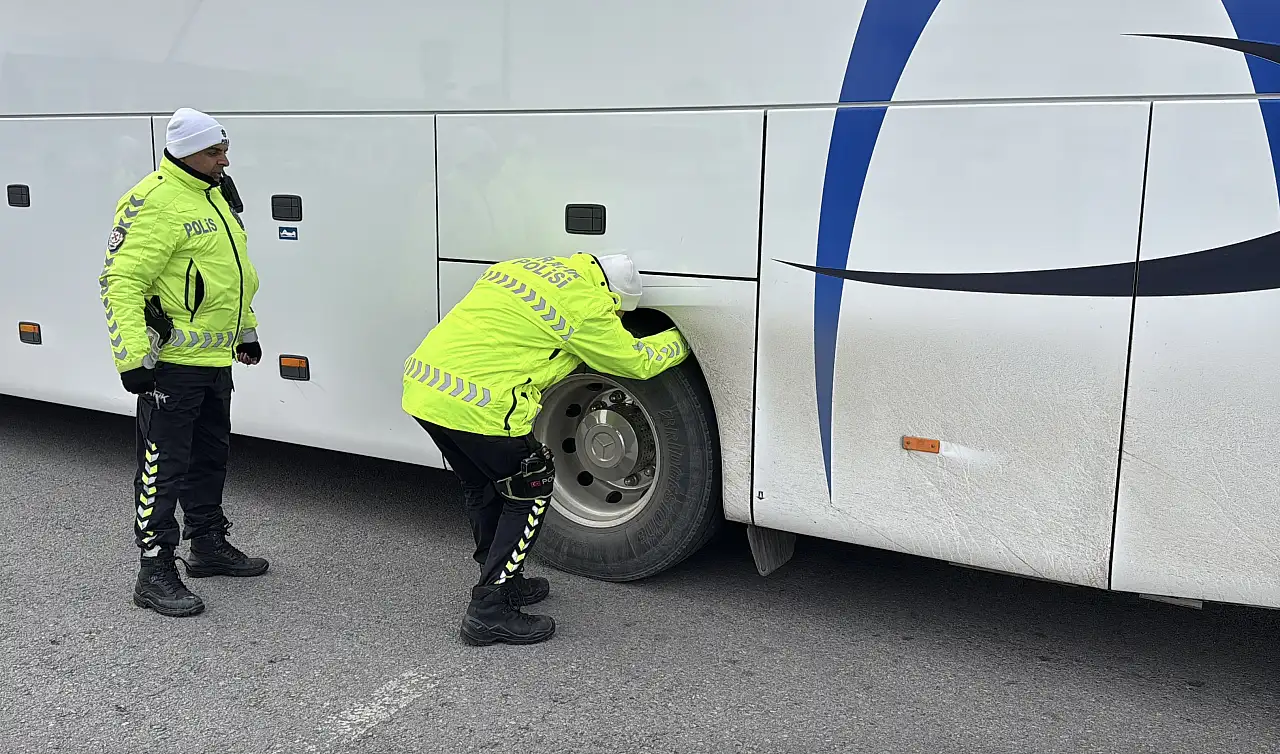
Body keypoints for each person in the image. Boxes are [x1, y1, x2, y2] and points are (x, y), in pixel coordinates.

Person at [403, 252, 691, 646]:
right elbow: (634, 361)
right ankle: (489, 610)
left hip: (426, 389)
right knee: (531, 489)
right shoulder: (588, 305)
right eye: (618, 313)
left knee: (483, 487)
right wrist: (685, 338)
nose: (616, 320)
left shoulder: (525, 269)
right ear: (613, 296)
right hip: (480, 406)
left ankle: (505, 581)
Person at [98, 107, 268, 618]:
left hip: (213, 359)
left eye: (225, 149)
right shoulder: (154, 201)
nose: (225, 159)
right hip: (170, 363)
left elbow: (233, 278)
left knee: (210, 456)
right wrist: (131, 360)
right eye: (215, 151)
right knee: (162, 467)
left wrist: (247, 333)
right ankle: (154, 571)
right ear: (187, 151)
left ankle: (208, 545)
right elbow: (121, 283)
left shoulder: (213, 194)